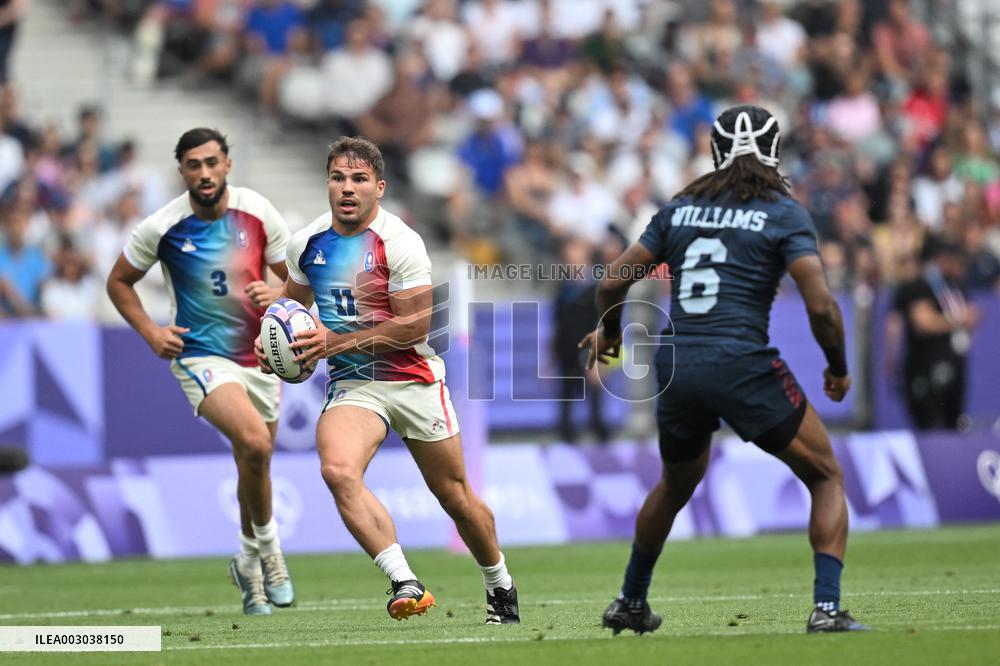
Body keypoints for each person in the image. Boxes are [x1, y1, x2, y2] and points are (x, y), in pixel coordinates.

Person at [580, 106, 866, 634]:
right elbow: (822, 306)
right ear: (775, 152)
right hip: (740, 361)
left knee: (674, 483)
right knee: (826, 475)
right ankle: (826, 609)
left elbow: (610, 284)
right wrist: (839, 368)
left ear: (714, 151)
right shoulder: (784, 212)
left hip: (678, 364)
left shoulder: (681, 208)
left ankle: (631, 600)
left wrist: (612, 341)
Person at [255, 136, 519, 624]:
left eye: (358, 179)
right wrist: (271, 347)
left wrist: (331, 342)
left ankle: (500, 583)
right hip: (356, 386)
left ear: (380, 187)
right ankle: (405, 581)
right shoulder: (306, 244)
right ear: (328, 185)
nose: (347, 189)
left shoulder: (399, 242)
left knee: (456, 498)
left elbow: (414, 328)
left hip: (414, 380)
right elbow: (288, 311)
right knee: (337, 470)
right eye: (338, 178)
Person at [106, 128, 294, 616]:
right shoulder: (162, 227)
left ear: (227, 165)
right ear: (182, 172)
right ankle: (271, 551)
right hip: (200, 355)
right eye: (194, 165)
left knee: (253, 462)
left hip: (261, 354)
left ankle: (247, 564)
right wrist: (150, 332)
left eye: (212, 162)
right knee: (255, 443)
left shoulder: (257, 211)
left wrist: (278, 295)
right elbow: (119, 282)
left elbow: (294, 281)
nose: (205, 173)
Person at [893, 236, 979, 430]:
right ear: (943, 258)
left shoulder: (955, 285)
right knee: (931, 422)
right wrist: (958, 320)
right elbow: (922, 323)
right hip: (927, 364)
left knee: (954, 421)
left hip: (954, 363)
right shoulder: (921, 285)